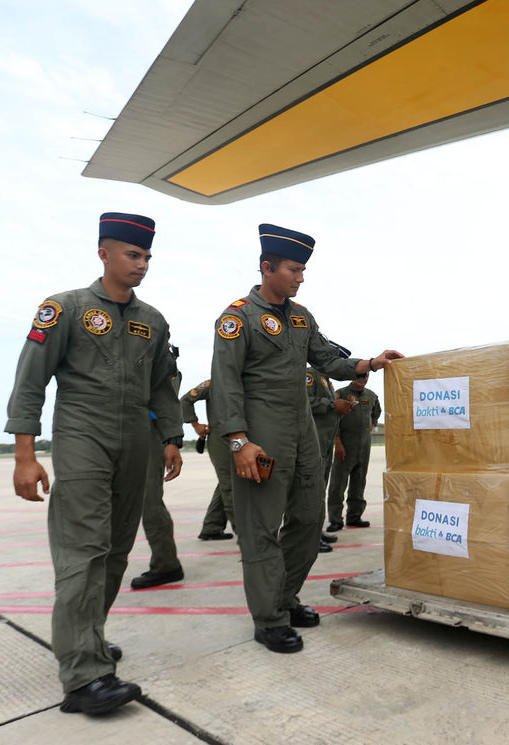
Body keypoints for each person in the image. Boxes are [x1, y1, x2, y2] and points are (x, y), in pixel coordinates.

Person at [6, 212, 183, 715]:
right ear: (103, 252)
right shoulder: (66, 308)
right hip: (83, 435)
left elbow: (162, 386)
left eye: (147, 256)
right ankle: (84, 677)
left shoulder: (153, 320)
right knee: (83, 549)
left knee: (116, 550)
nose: (141, 264)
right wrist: (25, 454)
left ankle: (86, 638)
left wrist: (171, 438)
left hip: (136, 442)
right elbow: (31, 380)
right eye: (133, 254)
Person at [210, 223, 402, 654]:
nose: (300, 278)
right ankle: (269, 619)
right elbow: (225, 384)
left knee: (308, 519)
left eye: (302, 271)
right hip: (260, 437)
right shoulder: (237, 317)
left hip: (302, 434)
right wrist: (238, 441)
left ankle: (284, 597)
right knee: (260, 529)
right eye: (294, 270)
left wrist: (371, 362)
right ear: (267, 267)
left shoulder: (300, 316)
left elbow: (328, 358)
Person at [130, 348, 186, 589]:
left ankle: (166, 564)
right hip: (125, 427)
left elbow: (167, 399)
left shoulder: (161, 357)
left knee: (149, 500)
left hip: (149, 429)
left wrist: (171, 440)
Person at [180, 379, 236, 541]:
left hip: (242, 436)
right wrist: (196, 425)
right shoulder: (213, 383)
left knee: (228, 482)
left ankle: (212, 526)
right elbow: (186, 400)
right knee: (230, 484)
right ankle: (246, 533)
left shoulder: (248, 380)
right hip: (221, 438)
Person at [326, 372, 381, 532]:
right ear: (352, 376)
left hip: (363, 448)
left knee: (358, 483)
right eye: (359, 377)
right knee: (338, 484)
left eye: (365, 377)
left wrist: (372, 425)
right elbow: (332, 418)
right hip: (345, 447)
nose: (362, 380)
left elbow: (376, 413)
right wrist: (337, 442)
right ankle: (335, 520)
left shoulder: (371, 396)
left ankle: (354, 516)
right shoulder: (341, 394)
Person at [306, 366, 354, 551]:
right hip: (313, 444)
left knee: (319, 491)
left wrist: (339, 407)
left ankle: (316, 531)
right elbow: (303, 402)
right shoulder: (310, 376)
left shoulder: (327, 381)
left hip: (324, 445)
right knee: (310, 493)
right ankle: (307, 538)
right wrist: (333, 405)